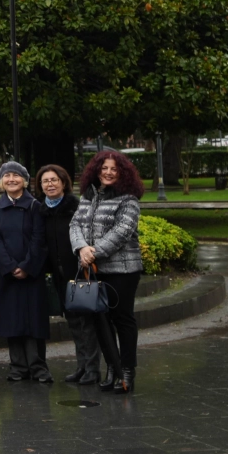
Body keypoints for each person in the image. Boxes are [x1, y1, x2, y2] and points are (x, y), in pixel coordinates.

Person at [71, 150, 144, 394]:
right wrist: (81, 248)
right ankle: (112, 368)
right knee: (100, 322)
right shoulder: (88, 196)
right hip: (95, 270)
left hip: (123, 271)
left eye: (114, 169)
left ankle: (127, 371)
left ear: (122, 173)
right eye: (104, 168)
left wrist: (94, 252)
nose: (109, 172)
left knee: (122, 320)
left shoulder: (128, 199)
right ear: (96, 170)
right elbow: (75, 224)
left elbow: (123, 231)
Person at [38, 163, 101, 384]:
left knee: (87, 323)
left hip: (80, 272)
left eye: (54, 180)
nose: (50, 184)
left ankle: (93, 369)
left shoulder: (77, 207)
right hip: (59, 275)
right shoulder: (41, 210)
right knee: (73, 322)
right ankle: (82, 366)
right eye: (45, 181)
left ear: (64, 182)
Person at [0, 161, 51, 383]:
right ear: (1, 180)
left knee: (33, 322)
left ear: (24, 180)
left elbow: (39, 240)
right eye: (7, 176)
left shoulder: (35, 206)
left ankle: (38, 367)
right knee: (12, 321)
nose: (11, 179)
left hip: (31, 274)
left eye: (16, 176)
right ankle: (17, 367)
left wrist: (25, 266)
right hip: (8, 276)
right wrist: (9, 266)